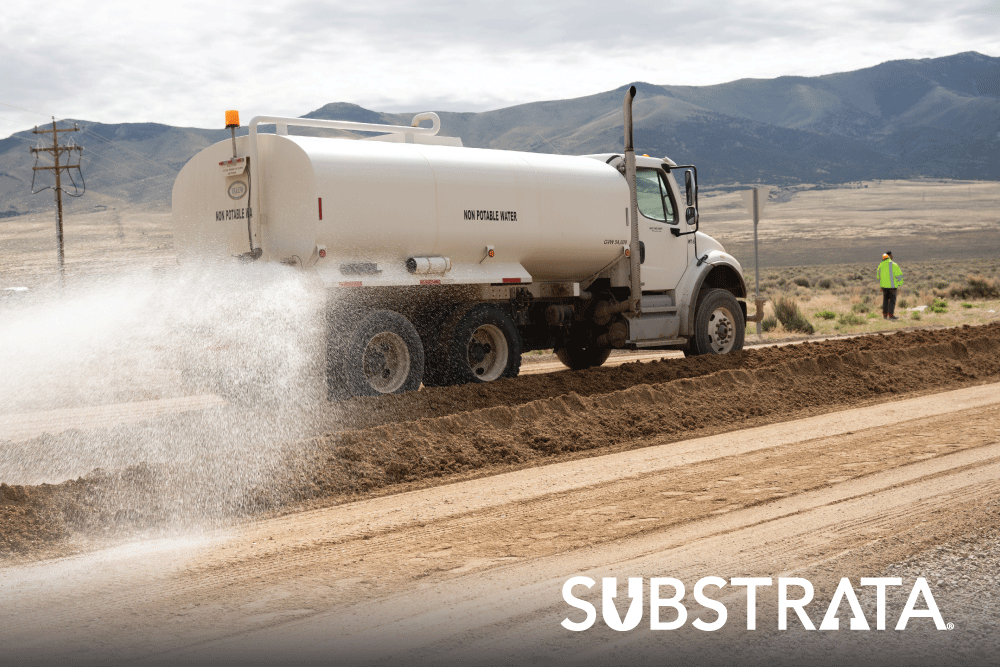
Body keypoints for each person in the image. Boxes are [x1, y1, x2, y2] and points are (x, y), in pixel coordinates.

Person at [877, 251, 903, 320]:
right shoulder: (894, 264)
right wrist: (900, 283)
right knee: (892, 301)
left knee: (885, 301)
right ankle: (891, 315)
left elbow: (878, 276)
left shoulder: (880, 265)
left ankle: (885, 315)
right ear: (889, 257)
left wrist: (881, 285)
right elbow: (899, 275)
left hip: (884, 287)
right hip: (892, 287)